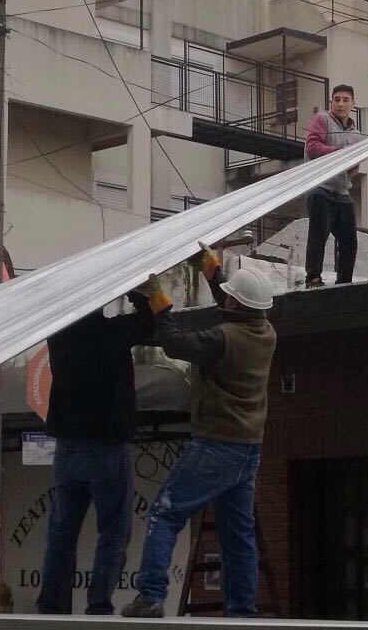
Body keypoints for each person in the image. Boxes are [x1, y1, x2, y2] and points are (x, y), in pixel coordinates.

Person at [121, 249, 277, 619]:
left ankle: (150, 595)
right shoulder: (266, 333)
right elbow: (235, 304)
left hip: (216, 444)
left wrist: (157, 299)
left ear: (236, 304)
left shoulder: (223, 338)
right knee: (237, 535)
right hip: (248, 449)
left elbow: (176, 344)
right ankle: (242, 611)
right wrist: (210, 270)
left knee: (164, 513)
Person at [36, 294, 158, 615]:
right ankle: (99, 601)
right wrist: (137, 293)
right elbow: (151, 321)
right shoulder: (113, 333)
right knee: (113, 530)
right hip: (106, 446)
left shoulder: (58, 335)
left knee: (61, 531)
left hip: (67, 447)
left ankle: (51, 602)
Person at [303, 83, 362, 287]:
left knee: (349, 241)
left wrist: (350, 164)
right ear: (331, 102)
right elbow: (312, 147)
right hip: (320, 187)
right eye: (337, 100)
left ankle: (344, 282)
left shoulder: (356, 134)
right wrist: (340, 153)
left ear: (353, 103)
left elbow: (355, 166)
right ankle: (313, 278)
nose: (341, 104)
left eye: (345, 100)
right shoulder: (322, 119)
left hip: (342, 190)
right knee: (319, 235)